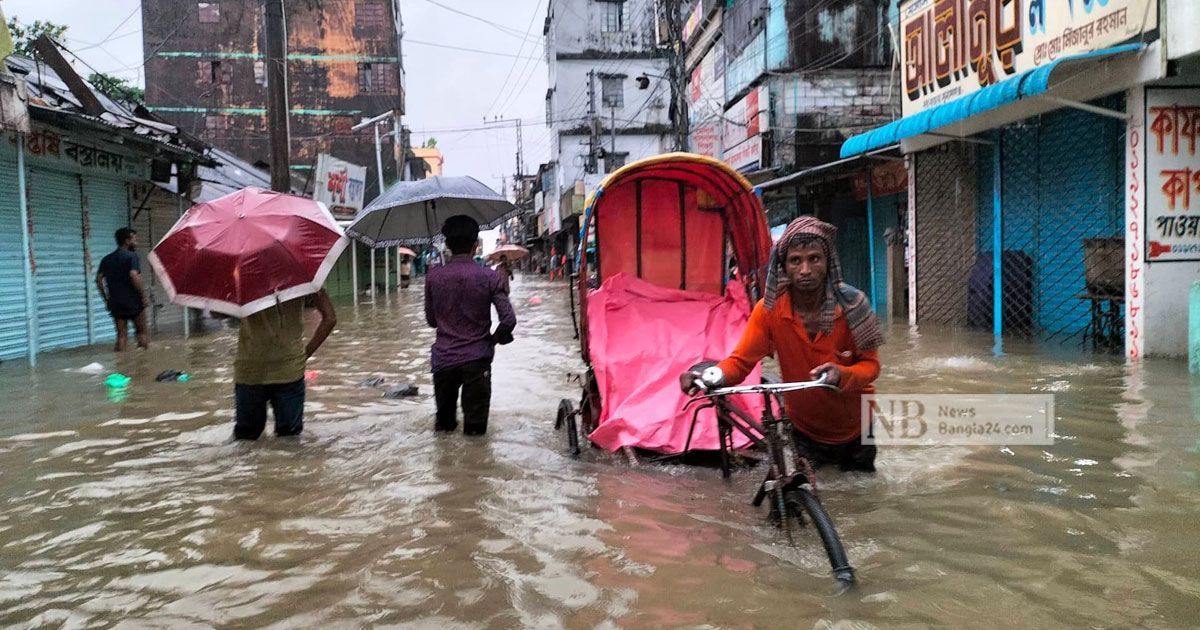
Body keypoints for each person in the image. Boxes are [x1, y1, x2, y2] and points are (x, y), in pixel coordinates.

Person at [680, 216, 884, 472]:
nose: (805, 270)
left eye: (814, 258)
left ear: (828, 261)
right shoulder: (769, 312)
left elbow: (871, 367)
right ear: (784, 267)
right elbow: (741, 363)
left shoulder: (855, 306)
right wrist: (709, 375)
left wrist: (842, 375)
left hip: (857, 430)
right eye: (795, 261)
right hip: (803, 430)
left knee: (862, 501)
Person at [425, 215, 517, 435]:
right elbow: (508, 320)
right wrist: (494, 339)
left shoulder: (433, 277)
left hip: (443, 361)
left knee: (444, 430)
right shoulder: (489, 277)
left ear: (447, 245)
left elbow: (431, 321)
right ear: (476, 245)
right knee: (476, 435)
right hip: (478, 360)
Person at [231, 289, 337, 440]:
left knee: (245, 441)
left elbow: (217, 313)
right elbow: (330, 318)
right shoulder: (301, 278)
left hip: (250, 370)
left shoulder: (242, 278)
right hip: (289, 370)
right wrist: (305, 354)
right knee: (290, 442)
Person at [96, 227, 150, 351]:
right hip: (134, 302)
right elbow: (133, 275)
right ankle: (143, 365)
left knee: (121, 336)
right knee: (141, 333)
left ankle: (120, 363)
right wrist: (143, 296)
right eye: (134, 240)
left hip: (116, 302)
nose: (136, 243)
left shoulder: (106, 259)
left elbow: (99, 280)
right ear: (127, 241)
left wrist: (106, 299)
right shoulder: (131, 256)